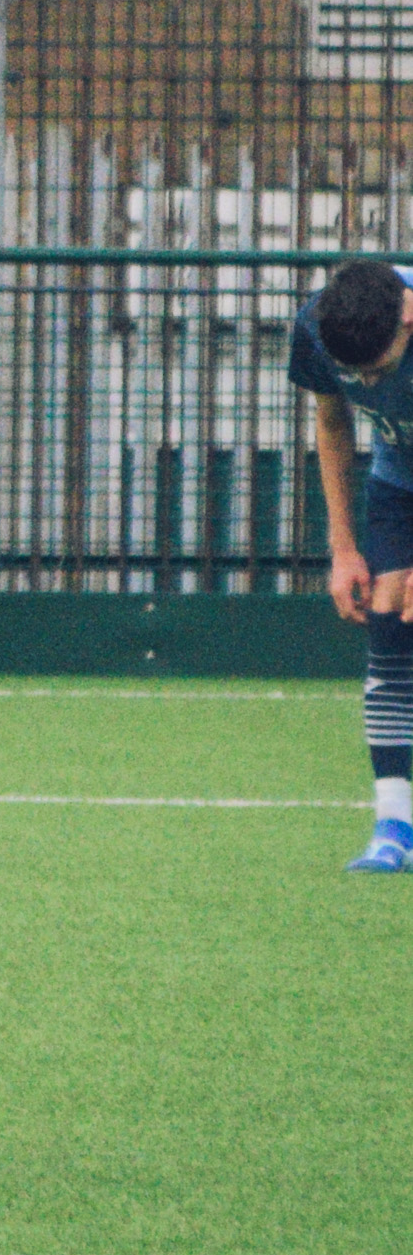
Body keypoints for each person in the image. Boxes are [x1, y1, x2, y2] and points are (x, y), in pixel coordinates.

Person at [290, 254, 413, 872]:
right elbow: (333, 421)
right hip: (398, 485)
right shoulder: (317, 325)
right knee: (393, 635)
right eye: (353, 373)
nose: (368, 386)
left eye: (381, 370)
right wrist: (343, 549)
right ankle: (394, 827)